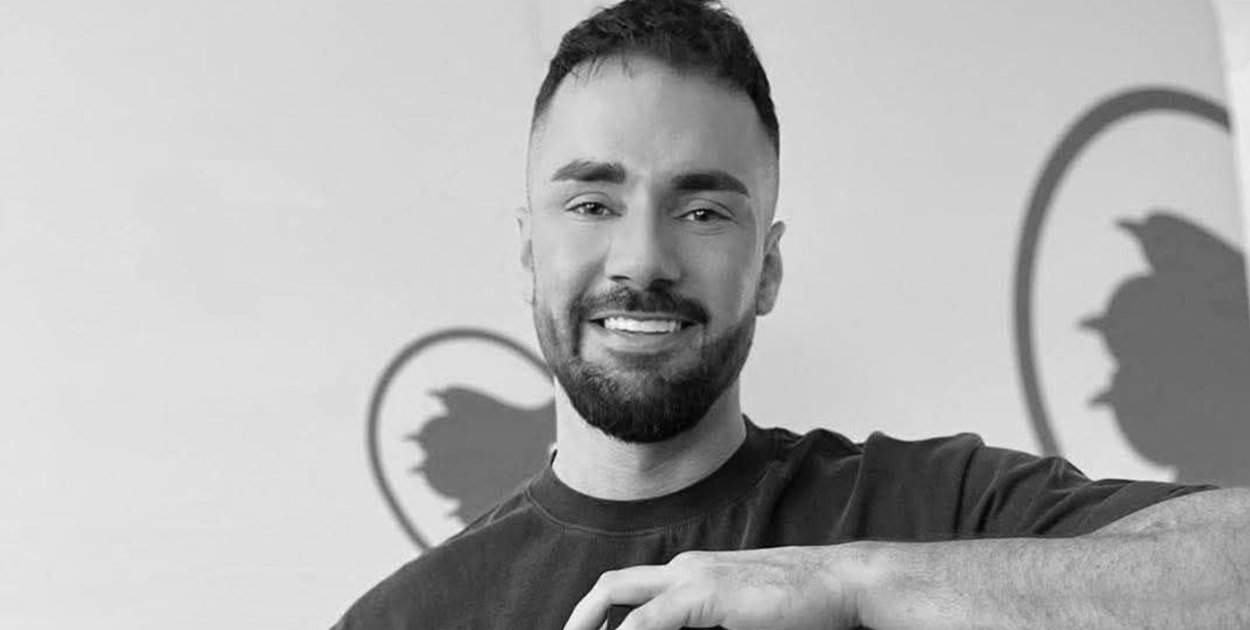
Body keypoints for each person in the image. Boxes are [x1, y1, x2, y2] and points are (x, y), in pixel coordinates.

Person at [333, 1, 1250, 628]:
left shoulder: (938, 509)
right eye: (593, 203)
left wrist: (852, 582)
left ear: (767, 267)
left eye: (703, 211)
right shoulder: (410, 618)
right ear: (529, 252)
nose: (643, 258)